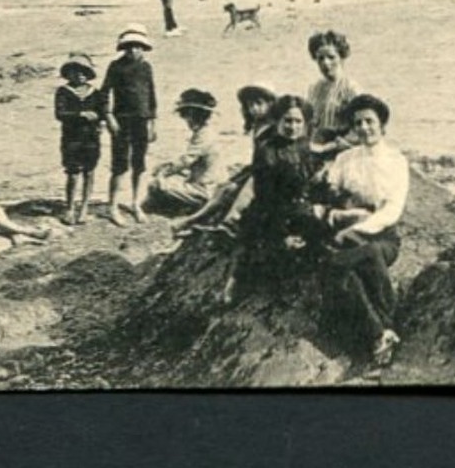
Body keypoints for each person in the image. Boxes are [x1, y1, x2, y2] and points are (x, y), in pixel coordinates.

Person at [311, 93, 409, 367]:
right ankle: (382, 332)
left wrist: (359, 228)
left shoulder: (396, 161)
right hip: (344, 232)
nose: (364, 128)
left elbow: (392, 211)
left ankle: (380, 329)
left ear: (382, 125)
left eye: (370, 121)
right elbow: (324, 200)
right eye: (358, 123)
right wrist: (340, 215)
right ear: (352, 128)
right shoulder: (344, 159)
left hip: (382, 236)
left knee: (366, 253)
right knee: (351, 269)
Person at [229, 94, 319, 301]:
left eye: (298, 121)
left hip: (298, 210)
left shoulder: (304, 146)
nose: (292, 126)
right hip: (269, 213)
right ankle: (236, 280)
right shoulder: (267, 151)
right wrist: (282, 234)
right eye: (287, 120)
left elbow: (308, 186)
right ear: (277, 121)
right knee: (267, 247)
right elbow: (266, 199)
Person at [174, 82, 276, 236]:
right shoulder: (259, 126)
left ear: (271, 104)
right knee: (225, 188)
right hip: (259, 169)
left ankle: (229, 221)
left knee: (239, 189)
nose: (254, 109)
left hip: (272, 173)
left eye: (259, 103)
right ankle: (196, 221)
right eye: (250, 105)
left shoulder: (275, 126)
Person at [100, 25, 158, 227]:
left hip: (142, 121)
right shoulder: (115, 67)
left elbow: (151, 96)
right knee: (119, 164)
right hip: (121, 121)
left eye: (138, 47)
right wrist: (108, 117)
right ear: (124, 48)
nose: (134, 50)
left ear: (144, 48)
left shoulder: (146, 67)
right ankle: (113, 206)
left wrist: (152, 122)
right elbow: (104, 93)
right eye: (130, 47)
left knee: (139, 164)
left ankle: (135, 203)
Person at [143, 89, 230, 218]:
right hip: (214, 185)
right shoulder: (206, 132)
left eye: (185, 116)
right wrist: (166, 166)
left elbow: (187, 160)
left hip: (206, 190)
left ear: (192, 114)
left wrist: (163, 172)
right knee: (171, 178)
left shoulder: (204, 135)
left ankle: (149, 209)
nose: (185, 120)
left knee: (155, 185)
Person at [55, 53, 106, 225]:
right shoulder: (63, 92)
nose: (80, 75)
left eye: (84, 72)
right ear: (68, 74)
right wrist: (81, 114)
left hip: (91, 138)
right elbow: (60, 114)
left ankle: (84, 208)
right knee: (72, 173)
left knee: (89, 171)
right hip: (72, 138)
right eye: (75, 72)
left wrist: (101, 122)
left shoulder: (96, 93)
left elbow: (103, 112)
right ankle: (70, 208)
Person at [305, 30, 361, 156]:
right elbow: (309, 124)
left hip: (343, 150)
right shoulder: (314, 89)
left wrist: (330, 147)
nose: (325, 63)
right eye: (320, 58)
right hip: (316, 148)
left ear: (341, 58)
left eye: (331, 57)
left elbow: (359, 129)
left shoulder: (351, 89)